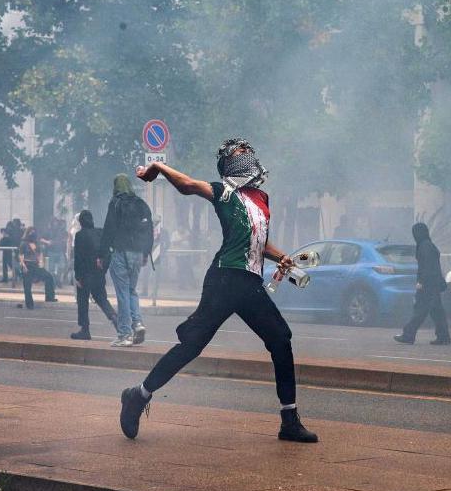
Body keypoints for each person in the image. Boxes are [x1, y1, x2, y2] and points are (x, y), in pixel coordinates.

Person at [119, 138, 317, 443]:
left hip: (249, 282)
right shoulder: (224, 191)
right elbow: (186, 184)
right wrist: (158, 166)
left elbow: (257, 243)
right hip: (224, 279)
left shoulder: (262, 199)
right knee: (192, 345)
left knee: (281, 338)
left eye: (248, 150)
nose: (247, 154)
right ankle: (139, 395)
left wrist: (282, 257)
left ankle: (289, 420)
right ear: (228, 164)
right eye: (239, 153)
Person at [99, 174, 154, 347]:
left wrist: (101, 254)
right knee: (131, 290)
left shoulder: (115, 203)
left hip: (120, 252)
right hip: (138, 253)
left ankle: (125, 334)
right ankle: (137, 323)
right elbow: (149, 230)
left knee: (122, 293)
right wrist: (146, 253)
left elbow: (108, 230)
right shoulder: (141, 204)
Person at [394, 222, 451, 346]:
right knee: (437, 312)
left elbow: (427, 267)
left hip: (427, 284)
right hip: (434, 283)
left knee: (420, 310)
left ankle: (408, 334)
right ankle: (443, 336)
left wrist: (421, 282)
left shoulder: (424, 246)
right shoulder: (429, 245)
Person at [71, 210, 117, 340]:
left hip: (85, 274)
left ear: (81, 222)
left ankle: (85, 330)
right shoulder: (100, 232)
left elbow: (78, 258)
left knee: (82, 301)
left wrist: (77, 276)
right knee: (102, 298)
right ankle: (115, 318)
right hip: (99, 274)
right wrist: (104, 268)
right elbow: (109, 251)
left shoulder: (80, 235)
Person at [19, 227, 56, 309]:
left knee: (49, 277)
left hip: (36, 265)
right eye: (31, 232)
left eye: (34, 231)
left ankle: (49, 297)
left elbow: (40, 254)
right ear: (27, 233)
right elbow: (21, 256)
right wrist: (24, 266)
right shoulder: (24, 244)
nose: (33, 233)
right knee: (27, 286)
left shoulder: (37, 243)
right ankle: (29, 304)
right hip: (27, 265)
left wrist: (41, 262)